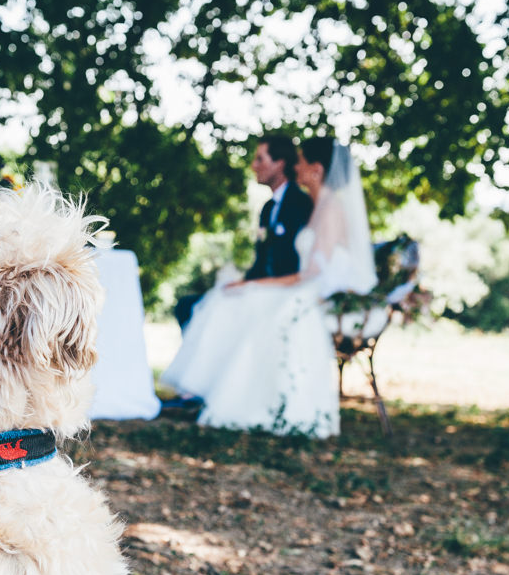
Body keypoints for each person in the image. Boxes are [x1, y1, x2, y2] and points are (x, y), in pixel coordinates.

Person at [161, 136, 377, 437]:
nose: (296, 167)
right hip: (304, 286)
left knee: (256, 307)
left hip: (312, 291)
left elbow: (311, 273)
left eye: (300, 162)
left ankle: (242, 402)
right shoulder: (318, 204)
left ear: (316, 169)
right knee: (234, 300)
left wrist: (257, 284)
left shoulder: (326, 207)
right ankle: (206, 392)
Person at [173, 135, 313, 330]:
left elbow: (298, 263)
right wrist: (241, 283)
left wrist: (252, 286)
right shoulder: (267, 209)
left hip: (282, 293)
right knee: (188, 306)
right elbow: (261, 261)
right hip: (259, 289)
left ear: (279, 164)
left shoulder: (302, 203)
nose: (253, 166)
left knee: (198, 311)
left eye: (260, 159)